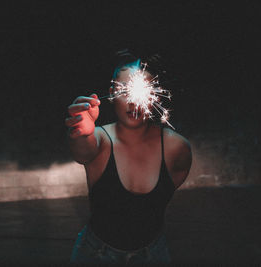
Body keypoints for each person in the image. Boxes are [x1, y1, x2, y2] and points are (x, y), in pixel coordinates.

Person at [65, 50, 192, 264]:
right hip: (95, 255)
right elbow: (84, 150)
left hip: (153, 255)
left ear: (154, 96)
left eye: (141, 91)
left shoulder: (177, 149)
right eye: (126, 90)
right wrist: (82, 133)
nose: (133, 102)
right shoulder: (101, 139)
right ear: (112, 94)